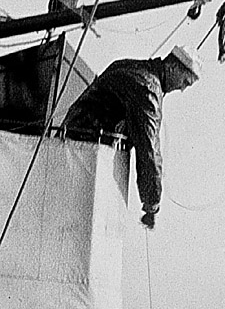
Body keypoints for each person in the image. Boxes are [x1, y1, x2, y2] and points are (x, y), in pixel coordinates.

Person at [62, 45, 202, 229]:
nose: (182, 88)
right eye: (185, 82)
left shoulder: (127, 65)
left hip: (68, 142)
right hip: (86, 157)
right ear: (173, 67)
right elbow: (148, 148)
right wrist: (152, 202)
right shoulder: (148, 89)